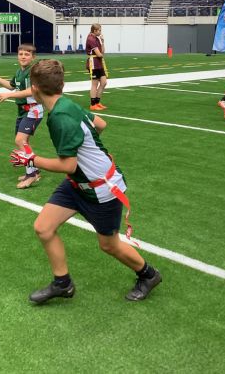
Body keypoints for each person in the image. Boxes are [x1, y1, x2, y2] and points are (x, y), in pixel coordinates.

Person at [10, 59, 161, 303]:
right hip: (77, 184)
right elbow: (100, 123)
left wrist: (31, 159)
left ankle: (149, 275)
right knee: (44, 227)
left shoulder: (60, 117)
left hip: (101, 189)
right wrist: (89, 151)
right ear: (61, 85)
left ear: (34, 89)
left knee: (109, 245)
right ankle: (63, 284)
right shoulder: (67, 104)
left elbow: (67, 165)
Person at [0, 44, 43, 189]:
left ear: (33, 57)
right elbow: (12, 85)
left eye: (27, 54)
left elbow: (31, 91)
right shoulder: (19, 72)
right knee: (24, 142)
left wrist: (9, 95)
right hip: (23, 111)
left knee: (20, 140)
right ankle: (34, 170)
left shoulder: (32, 71)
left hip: (33, 110)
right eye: (21, 54)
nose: (23, 56)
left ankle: (31, 174)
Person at [86, 23, 108, 111]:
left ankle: (97, 102)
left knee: (103, 82)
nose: (100, 32)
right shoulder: (91, 39)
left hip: (99, 63)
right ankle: (93, 104)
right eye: (99, 30)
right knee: (94, 84)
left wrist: (102, 42)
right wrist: (101, 54)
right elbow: (99, 54)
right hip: (94, 63)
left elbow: (103, 51)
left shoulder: (97, 38)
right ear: (94, 30)